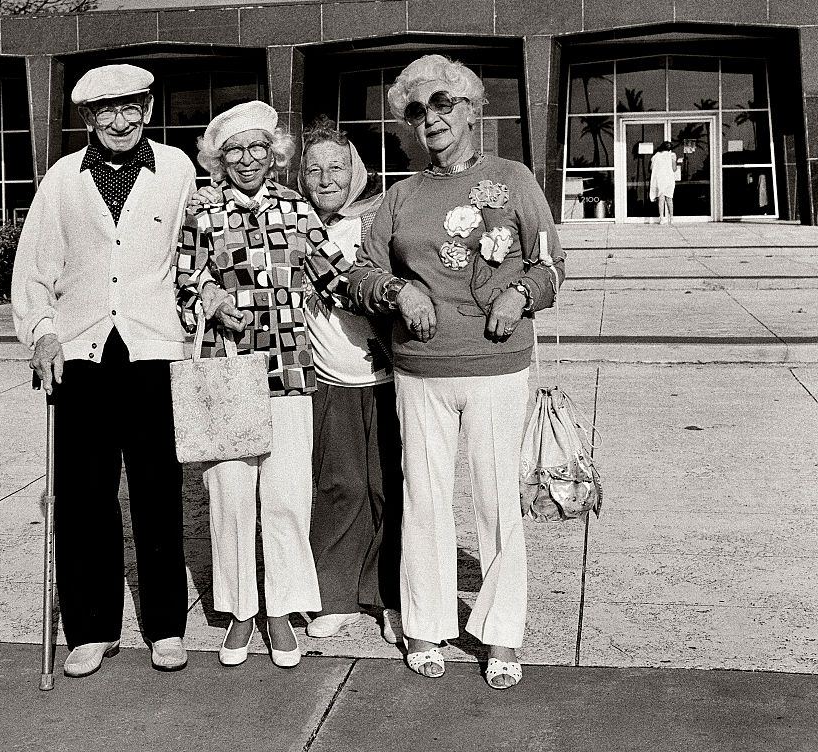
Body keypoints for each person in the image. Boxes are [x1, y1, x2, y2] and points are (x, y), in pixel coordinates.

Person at [348, 53, 565, 689]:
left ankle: (500, 635)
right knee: (426, 500)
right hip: (419, 371)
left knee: (498, 504)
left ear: (472, 111)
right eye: (417, 111)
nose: (431, 119)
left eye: (444, 105)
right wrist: (397, 293)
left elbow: (551, 265)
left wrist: (519, 294)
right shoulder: (400, 197)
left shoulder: (514, 179)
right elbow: (359, 272)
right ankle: (425, 622)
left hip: (498, 367)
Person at [11, 63, 195, 678]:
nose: (122, 120)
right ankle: (91, 629)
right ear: (88, 117)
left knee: (156, 492)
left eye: (133, 107)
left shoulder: (176, 170)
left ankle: (166, 627)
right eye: (107, 111)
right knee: (85, 494)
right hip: (81, 352)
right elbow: (34, 268)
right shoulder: (63, 178)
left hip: (151, 350)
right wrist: (40, 333)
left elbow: (195, 251)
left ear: (147, 108)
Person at [174, 100, 356, 669]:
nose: (248, 160)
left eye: (258, 149)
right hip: (227, 373)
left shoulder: (296, 208)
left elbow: (337, 279)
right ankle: (239, 611)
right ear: (219, 159)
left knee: (285, 498)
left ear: (273, 155)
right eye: (235, 151)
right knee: (229, 498)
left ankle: (282, 608)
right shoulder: (202, 214)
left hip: (288, 374)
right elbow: (180, 286)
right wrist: (210, 298)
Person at [296, 117, 402, 645]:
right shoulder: (293, 226)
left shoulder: (379, 220)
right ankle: (333, 596)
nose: (325, 178)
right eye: (313, 169)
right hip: (328, 377)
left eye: (336, 166)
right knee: (338, 487)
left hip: (387, 375)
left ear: (355, 170)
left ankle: (388, 598)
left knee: (389, 489)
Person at [649, 140, 678, 224]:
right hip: (669, 179)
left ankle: (661, 218)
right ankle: (671, 218)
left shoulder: (656, 156)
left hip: (660, 178)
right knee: (669, 198)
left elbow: (651, 168)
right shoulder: (672, 155)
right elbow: (674, 169)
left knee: (661, 198)